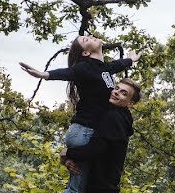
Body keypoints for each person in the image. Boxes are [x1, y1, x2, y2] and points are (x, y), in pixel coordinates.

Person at [19, 35, 141, 193]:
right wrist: (44, 75)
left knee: (79, 188)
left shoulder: (104, 68)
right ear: (85, 53)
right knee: (75, 190)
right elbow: (69, 72)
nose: (90, 36)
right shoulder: (85, 67)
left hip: (88, 133)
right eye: (85, 40)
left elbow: (119, 64)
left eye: (123, 93)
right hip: (84, 131)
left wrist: (132, 59)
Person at [60, 78, 141, 193]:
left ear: (130, 103)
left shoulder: (114, 118)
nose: (116, 92)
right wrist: (70, 159)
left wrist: (67, 153)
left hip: (98, 187)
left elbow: (96, 149)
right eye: (117, 88)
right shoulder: (118, 115)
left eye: (124, 93)